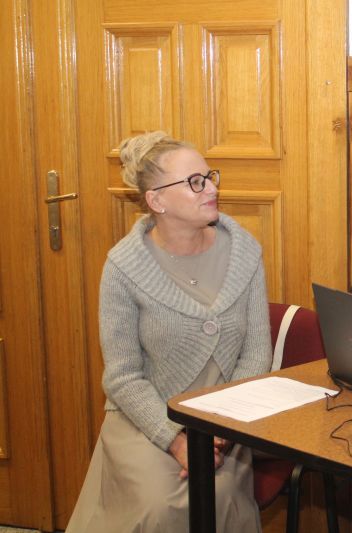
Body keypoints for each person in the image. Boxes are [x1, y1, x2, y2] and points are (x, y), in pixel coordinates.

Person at [67, 131, 271, 532]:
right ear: (157, 201)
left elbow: (256, 353)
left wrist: (222, 427)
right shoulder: (123, 268)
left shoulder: (244, 251)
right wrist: (175, 439)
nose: (211, 188)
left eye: (210, 176)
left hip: (224, 423)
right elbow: (122, 377)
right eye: (195, 182)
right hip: (145, 421)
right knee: (158, 507)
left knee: (217, 495)